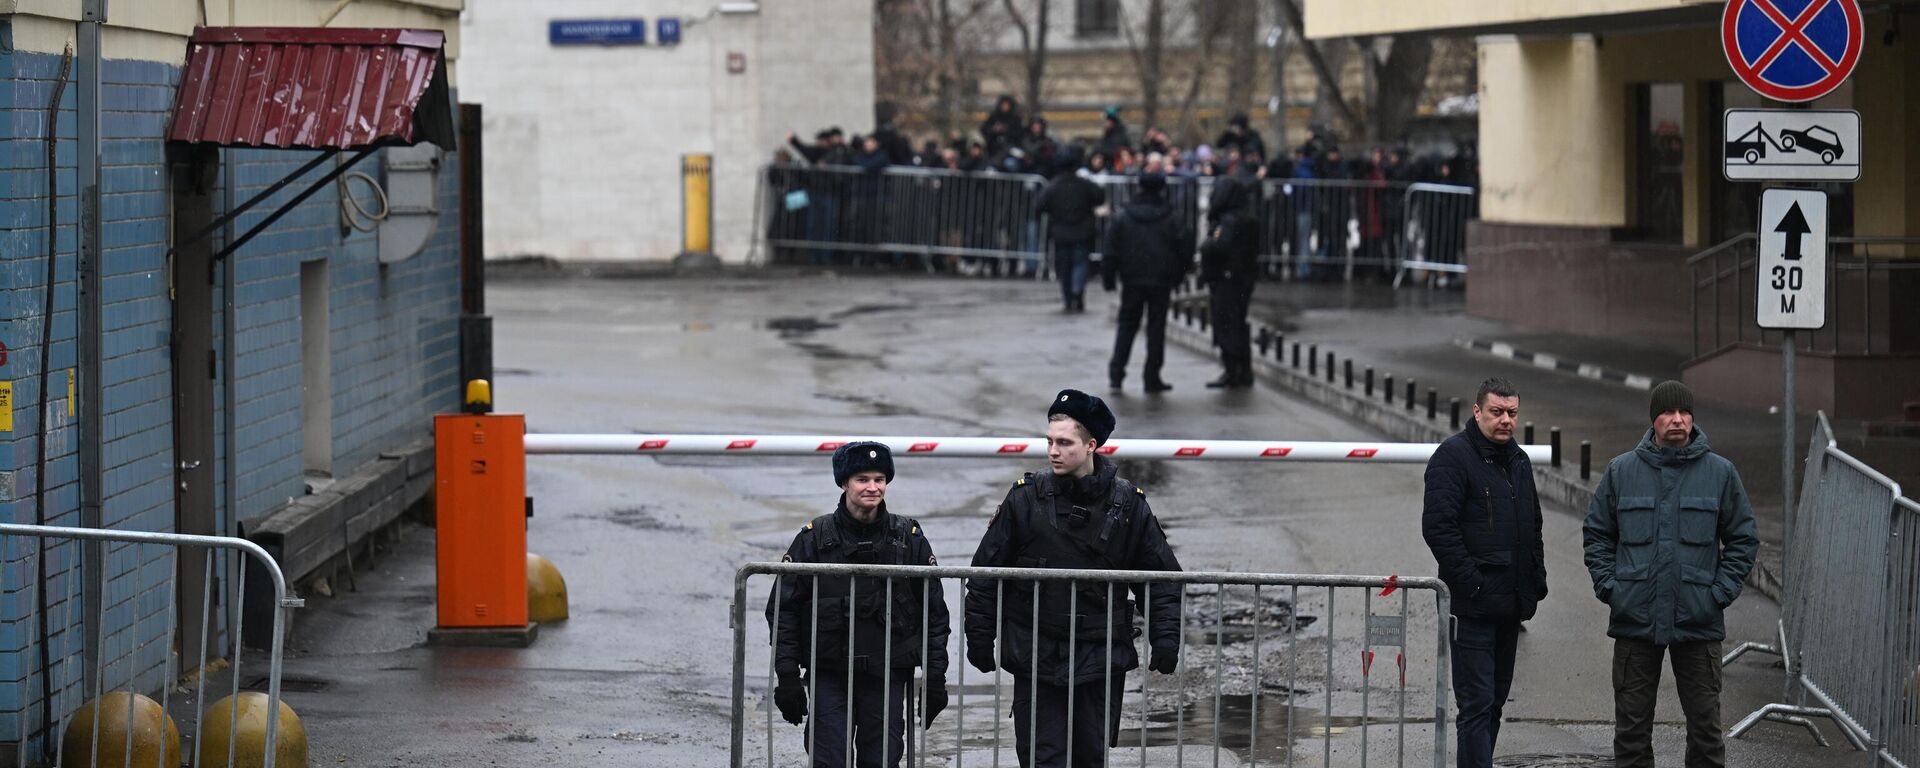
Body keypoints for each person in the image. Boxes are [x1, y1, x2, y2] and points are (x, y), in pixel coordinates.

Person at [965, 389, 1183, 768]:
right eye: (1049, 441)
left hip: (1099, 655)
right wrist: (980, 638)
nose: (1053, 451)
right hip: (1037, 654)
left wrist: (1166, 638)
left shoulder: (1128, 504)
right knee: (1042, 758)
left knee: (1090, 757)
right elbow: (985, 574)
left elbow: (1160, 578)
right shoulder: (1024, 499)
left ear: (1091, 445)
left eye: (1064, 442)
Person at [1583, 381, 1758, 768]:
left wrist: (1717, 595)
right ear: (1654, 420)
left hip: (1698, 622)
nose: (1676, 420)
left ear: (1692, 418)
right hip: (1635, 621)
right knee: (1630, 735)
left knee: (1706, 735)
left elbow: (1743, 540)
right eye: (1667, 413)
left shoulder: (1721, 473)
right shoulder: (1621, 471)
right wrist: (1612, 589)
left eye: (1683, 413)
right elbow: (1597, 534)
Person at [767, 442, 951, 768]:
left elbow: (934, 613)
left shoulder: (908, 538)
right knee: (829, 759)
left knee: (881, 760)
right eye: (862, 479)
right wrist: (787, 677)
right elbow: (784, 611)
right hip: (829, 675)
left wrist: (936, 677)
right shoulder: (813, 538)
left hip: (887, 676)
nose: (872, 487)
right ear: (844, 483)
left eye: (879, 479)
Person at [1421, 377, 1546, 768]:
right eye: (1496, 412)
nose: (1505, 420)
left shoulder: (1519, 460)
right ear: (1477, 412)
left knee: (1493, 704)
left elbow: (1532, 526)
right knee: (1475, 707)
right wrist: (1472, 583)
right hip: (1472, 609)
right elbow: (1438, 529)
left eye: (1511, 413)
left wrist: (1534, 583)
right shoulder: (1452, 457)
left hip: (1509, 607)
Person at [1101, 173, 1190, 394]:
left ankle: (1116, 374)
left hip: (1132, 278)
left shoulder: (1124, 215)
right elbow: (1184, 249)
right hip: (1161, 279)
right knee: (1156, 328)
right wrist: (1179, 275)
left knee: (1127, 325)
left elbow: (1111, 248)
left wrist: (1109, 277)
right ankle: (1152, 376)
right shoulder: (1171, 216)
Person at [1198, 176, 1258, 388]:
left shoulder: (1230, 221)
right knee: (1237, 323)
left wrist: (1207, 246)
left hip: (1228, 279)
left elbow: (1218, 247)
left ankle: (1233, 370)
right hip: (1241, 278)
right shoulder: (1246, 218)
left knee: (1227, 324)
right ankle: (1241, 369)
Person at [1034, 148, 1106, 313]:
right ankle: (1077, 291)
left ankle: (1068, 298)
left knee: (1064, 267)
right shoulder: (1084, 184)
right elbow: (1099, 197)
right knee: (1080, 263)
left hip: (1061, 231)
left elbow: (1040, 205)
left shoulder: (1053, 186)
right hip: (1082, 230)